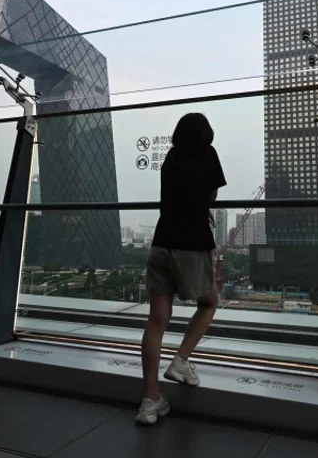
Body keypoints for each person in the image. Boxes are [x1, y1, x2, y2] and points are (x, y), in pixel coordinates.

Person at [136, 112, 226, 425]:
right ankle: (181, 360)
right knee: (209, 303)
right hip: (191, 244)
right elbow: (211, 195)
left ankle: (150, 401)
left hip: (161, 243)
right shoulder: (209, 154)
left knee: (157, 319)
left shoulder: (171, 157)